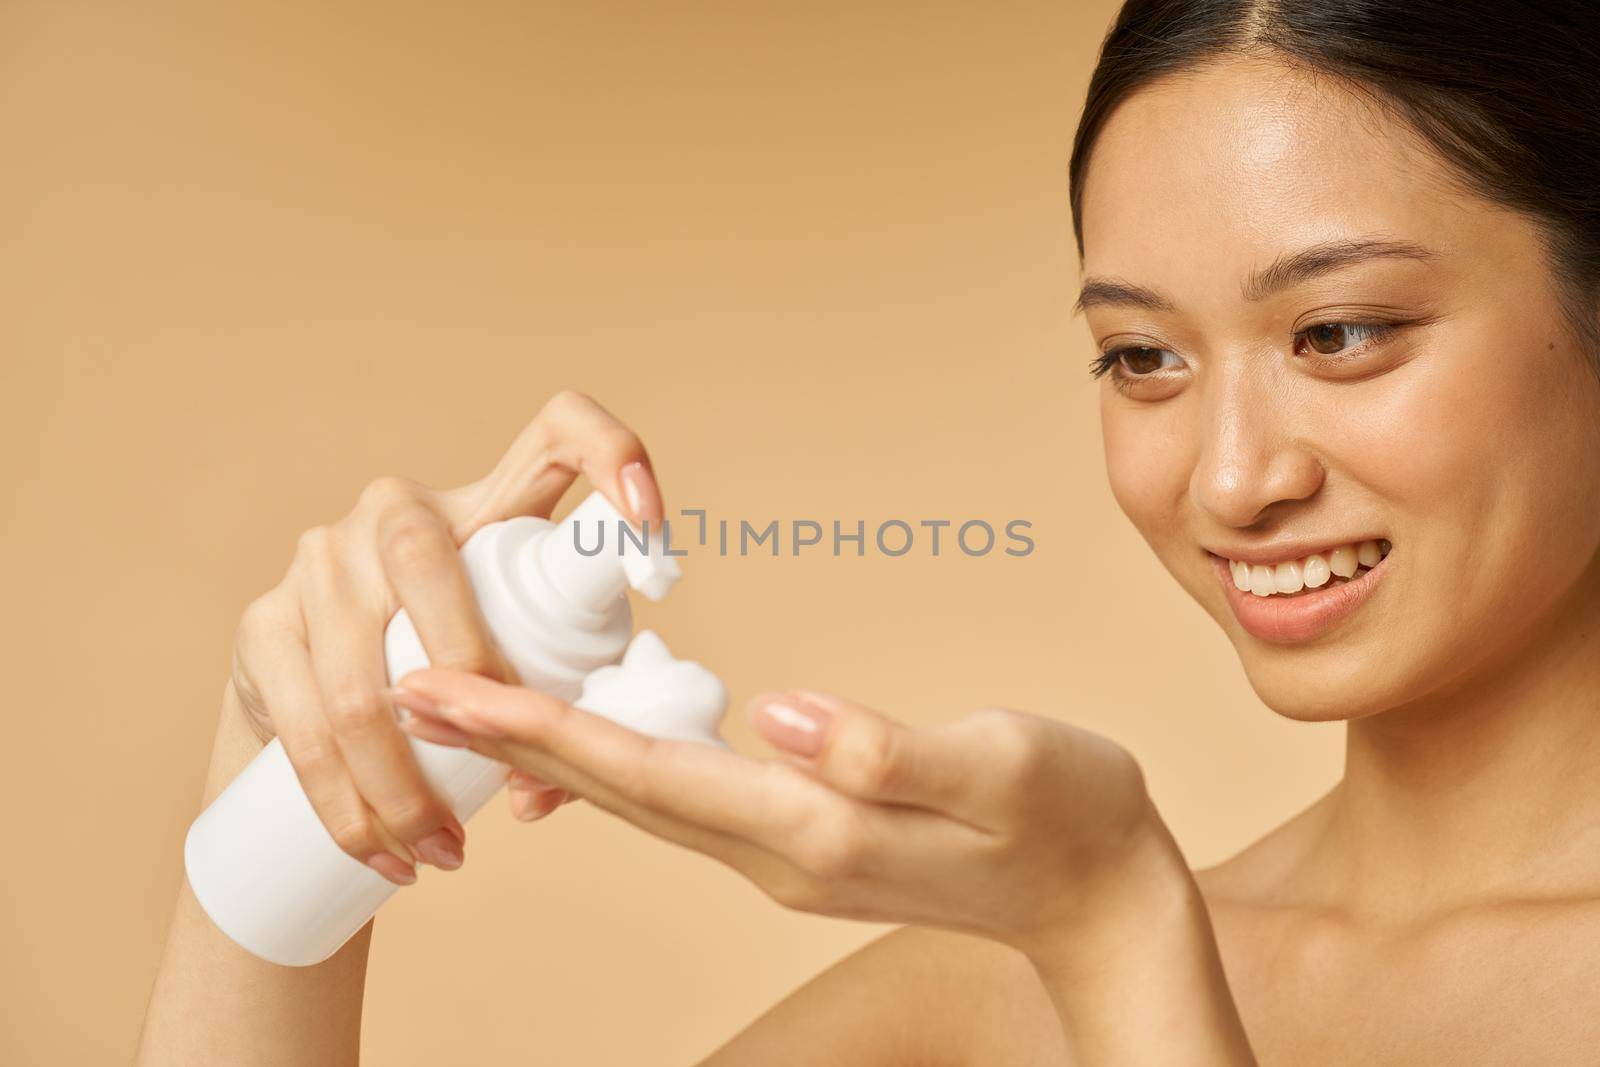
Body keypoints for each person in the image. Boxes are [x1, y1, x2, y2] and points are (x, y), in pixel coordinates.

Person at [138, 0, 1600, 1062]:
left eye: (1339, 332)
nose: (1230, 480)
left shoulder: (1084, 938)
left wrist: (1121, 945)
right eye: (1143, 358)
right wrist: (287, 792)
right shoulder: (976, 1005)